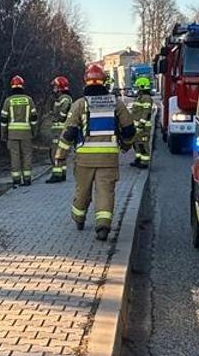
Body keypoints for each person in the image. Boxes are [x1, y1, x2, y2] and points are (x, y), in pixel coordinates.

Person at [61, 64, 138, 241]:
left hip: (84, 160)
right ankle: (103, 226)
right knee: (105, 191)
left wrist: (60, 155)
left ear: (85, 81)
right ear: (104, 81)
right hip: (108, 158)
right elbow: (129, 130)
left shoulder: (80, 104)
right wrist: (126, 146)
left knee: (82, 190)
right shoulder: (116, 104)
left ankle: (79, 218)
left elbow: (69, 133)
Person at [0, 75, 35, 186]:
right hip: (26, 134)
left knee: (15, 156)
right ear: (22, 86)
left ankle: (16, 179)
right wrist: (33, 131)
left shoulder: (8, 101)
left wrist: (3, 134)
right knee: (27, 155)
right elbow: (34, 118)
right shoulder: (29, 100)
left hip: (12, 134)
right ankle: (27, 178)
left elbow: (3, 120)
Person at [47, 75, 74, 183]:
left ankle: (57, 175)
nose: (53, 89)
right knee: (61, 152)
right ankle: (61, 173)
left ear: (59, 87)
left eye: (55, 87)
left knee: (56, 152)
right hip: (60, 129)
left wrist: (59, 116)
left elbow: (64, 111)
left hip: (60, 130)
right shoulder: (63, 98)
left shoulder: (64, 98)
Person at [130, 75, 156, 168]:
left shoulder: (147, 98)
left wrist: (141, 124)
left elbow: (146, 112)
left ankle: (144, 162)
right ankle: (138, 159)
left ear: (142, 86)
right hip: (137, 126)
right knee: (136, 143)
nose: (137, 89)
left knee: (143, 144)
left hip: (144, 127)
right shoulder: (139, 97)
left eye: (138, 87)